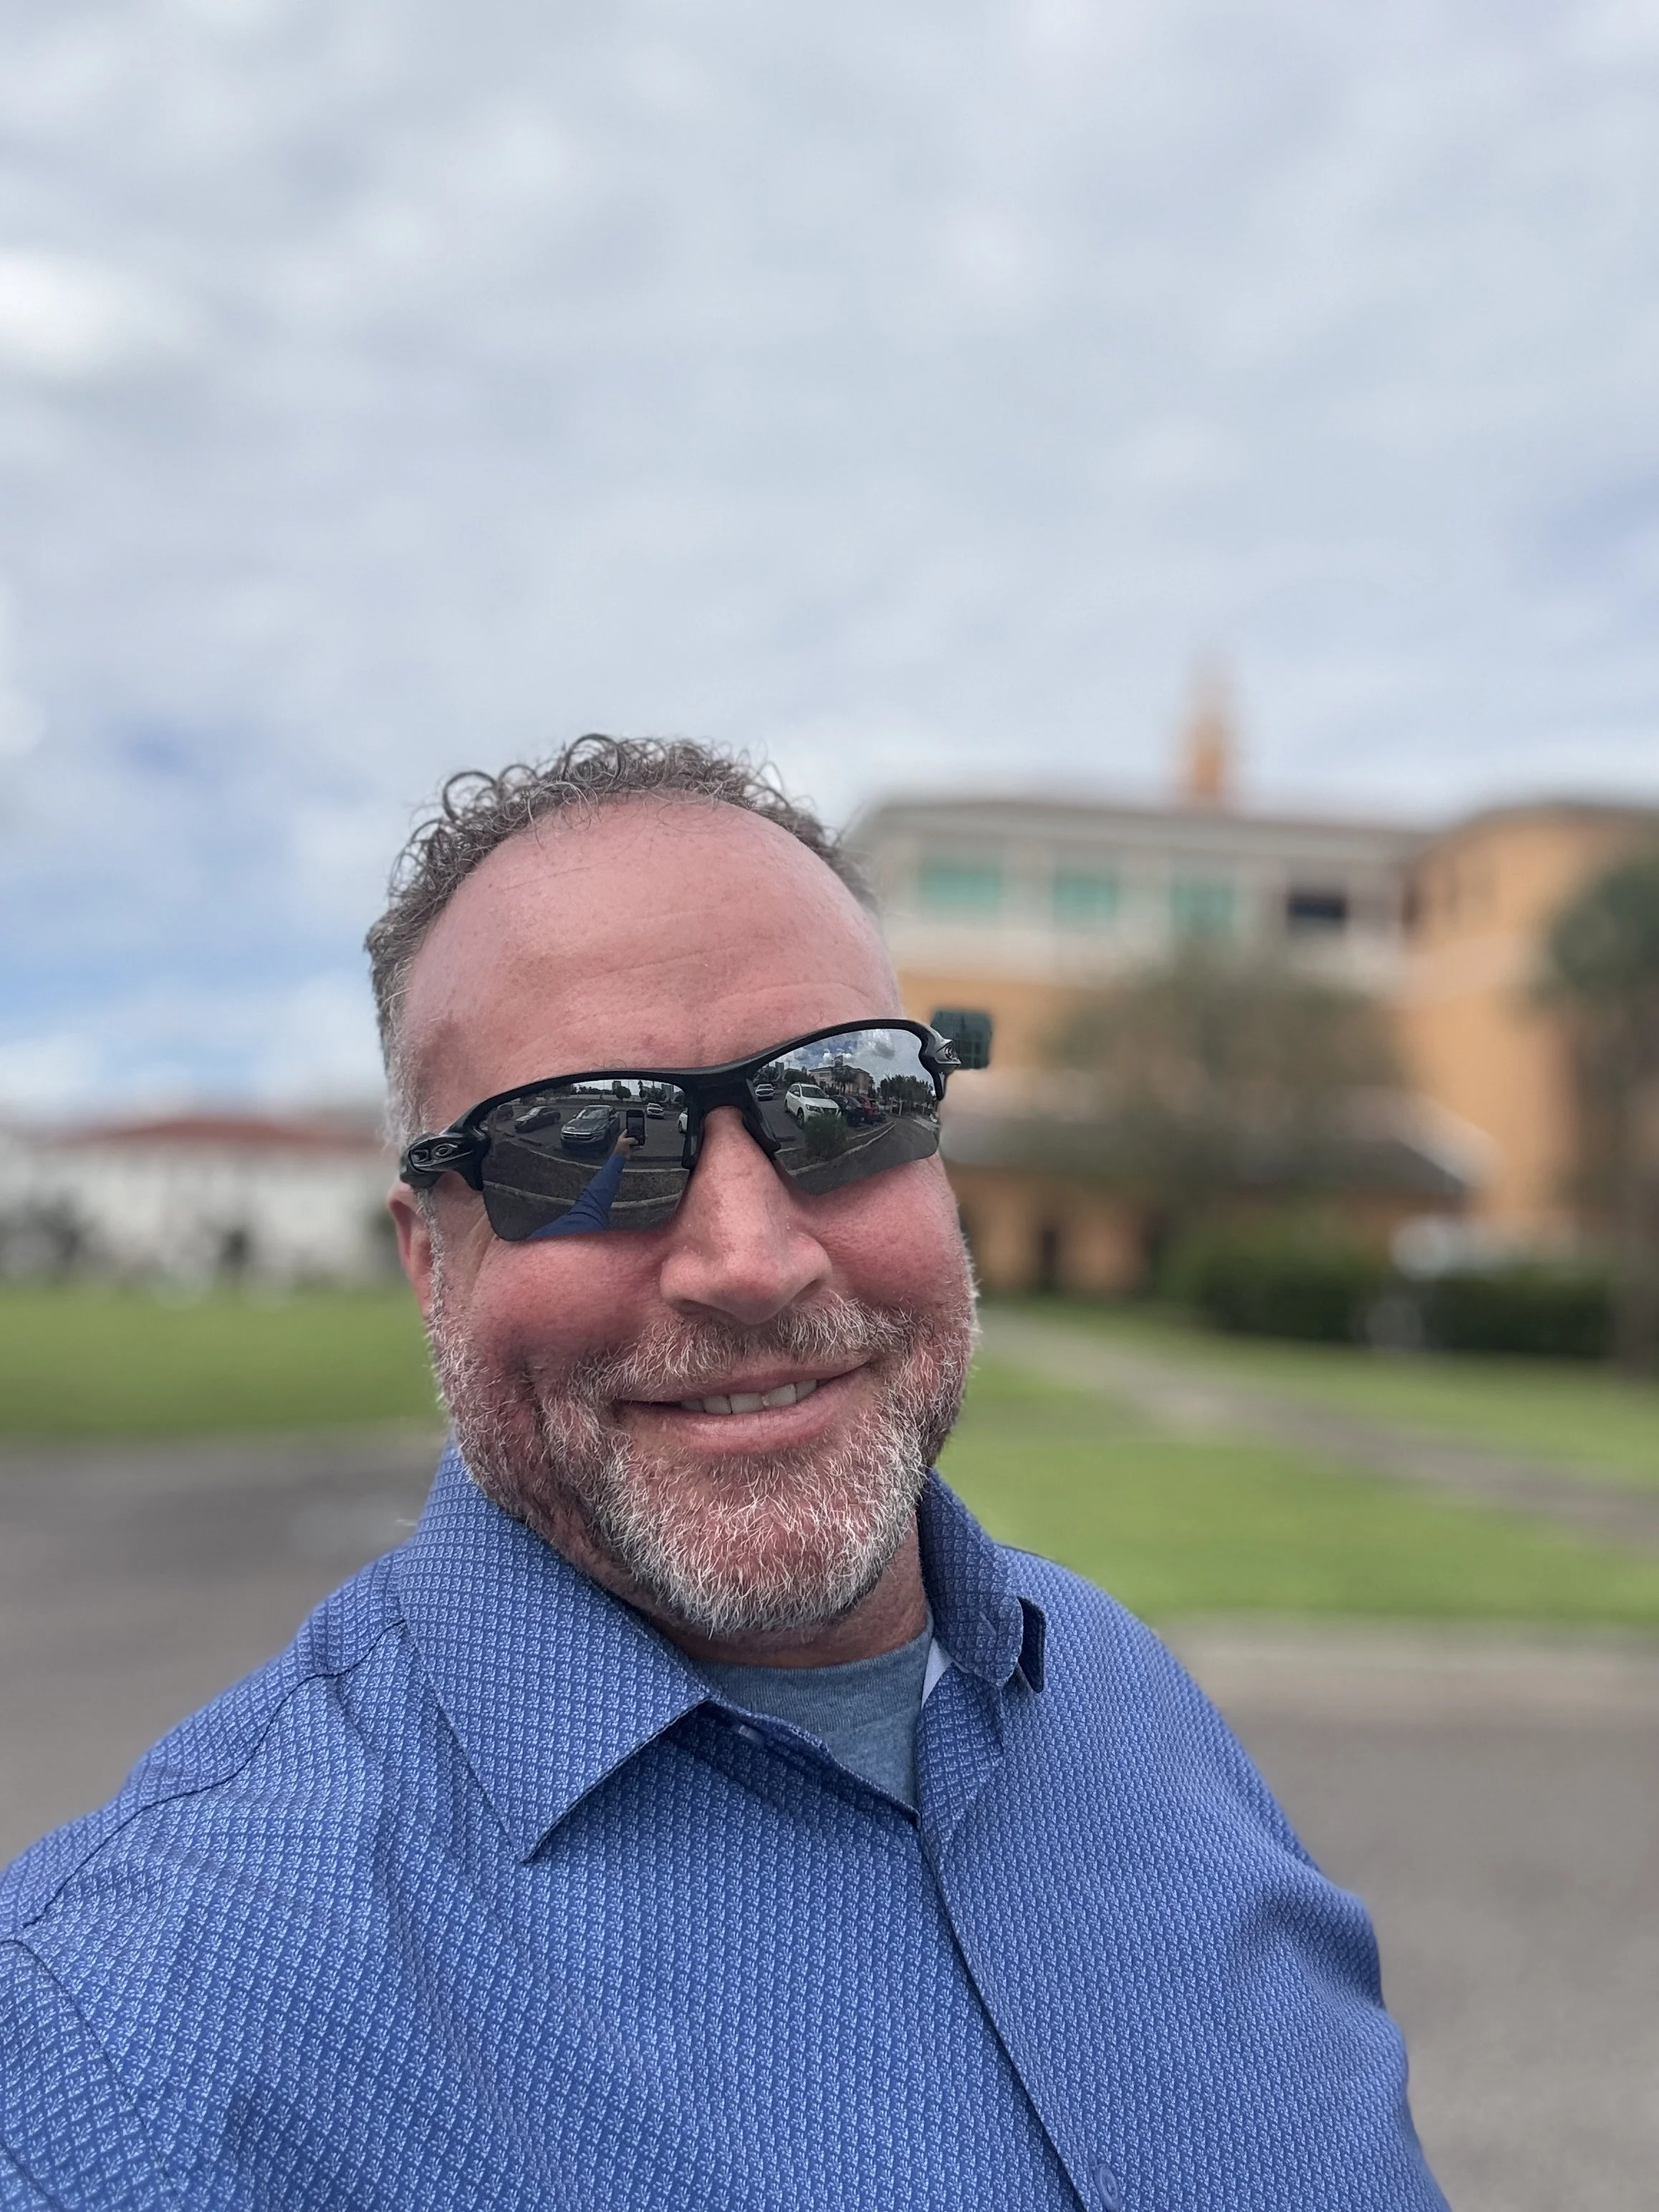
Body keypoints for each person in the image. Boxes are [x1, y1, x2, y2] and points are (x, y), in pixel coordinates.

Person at [0, 737, 1448, 2211]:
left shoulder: (1119, 1691)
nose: (752, 1260)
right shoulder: (119, 2045)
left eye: (846, 1098)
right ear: (429, 1256)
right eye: (588, 1143)